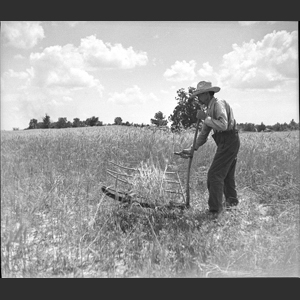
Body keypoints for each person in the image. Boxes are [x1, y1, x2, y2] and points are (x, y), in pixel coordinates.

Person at [181, 81, 240, 219]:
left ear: (207, 94)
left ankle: (215, 211)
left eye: (200, 95)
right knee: (227, 176)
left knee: (214, 175)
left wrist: (205, 118)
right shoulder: (209, 109)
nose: (198, 98)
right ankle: (232, 205)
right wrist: (192, 148)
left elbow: (223, 125)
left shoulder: (218, 104)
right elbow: (203, 134)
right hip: (225, 142)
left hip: (229, 140)